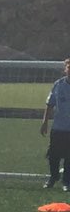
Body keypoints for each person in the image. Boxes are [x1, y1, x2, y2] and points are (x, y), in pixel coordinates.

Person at [42, 59, 70, 189]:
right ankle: (53, 177)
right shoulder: (58, 85)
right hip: (58, 127)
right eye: (68, 68)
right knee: (53, 154)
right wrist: (45, 122)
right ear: (65, 70)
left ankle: (67, 181)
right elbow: (50, 104)